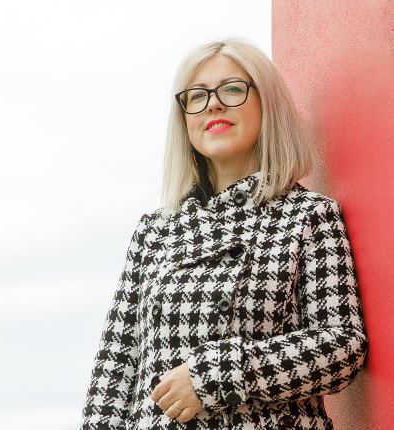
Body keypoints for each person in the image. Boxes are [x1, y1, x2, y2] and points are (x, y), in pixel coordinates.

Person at [80, 38, 367, 430]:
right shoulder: (155, 231)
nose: (213, 104)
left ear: (267, 104)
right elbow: (116, 369)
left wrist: (217, 375)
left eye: (232, 89)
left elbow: (342, 345)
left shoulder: (309, 215)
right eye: (197, 96)